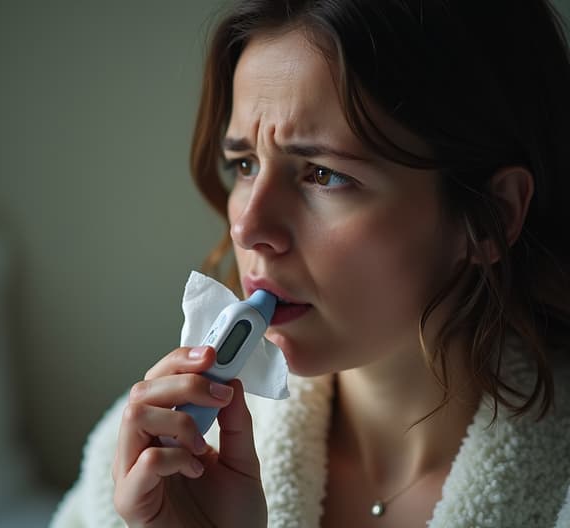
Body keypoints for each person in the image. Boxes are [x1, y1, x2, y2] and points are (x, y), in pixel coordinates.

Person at [50, 0, 570, 526]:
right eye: (245, 165)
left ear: (490, 217)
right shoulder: (156, 462)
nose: (247, 228)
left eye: (323, 174)